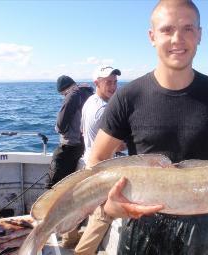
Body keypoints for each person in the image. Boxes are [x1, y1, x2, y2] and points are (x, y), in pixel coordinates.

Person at [88, 1, 208, 254]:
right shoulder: (127, 96)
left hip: (205, 225)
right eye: (167, 29)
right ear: (152, 36)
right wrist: (108, 205)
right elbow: (98, 158)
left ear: (200, 35)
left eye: (188, 29)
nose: (177, 39)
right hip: (140, 224)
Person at [74, 65, 121, 255]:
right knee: (102, 215)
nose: (113, 86)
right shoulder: (104, 110)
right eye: (108, 82)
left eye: (115, 82)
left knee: (78, 209)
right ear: (97, 83)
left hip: (86, 161)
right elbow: (117, 146)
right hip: (100, 169)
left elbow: (83, 131)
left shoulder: (89, 102)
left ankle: (69, 240)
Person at [45, 75, 93, 247]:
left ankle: (55, 233)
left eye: (62, 95)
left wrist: (58, 127)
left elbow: (61, 125)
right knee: (74, 191)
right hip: (83, 148)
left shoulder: (72, 95)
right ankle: (70, 234)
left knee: (52, 190)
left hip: (69, 148)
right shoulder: (88, 93)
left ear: (64, 90)